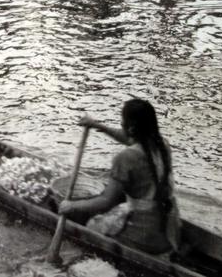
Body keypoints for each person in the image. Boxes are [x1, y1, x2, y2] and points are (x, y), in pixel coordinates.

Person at [59, 99, 181, 256]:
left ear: (130, 128)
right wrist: (98, 126)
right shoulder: (163, 144)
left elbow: (106, 201)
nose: (122, 127)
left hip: (144, 235)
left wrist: (71, 206)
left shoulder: (125, 158)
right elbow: (129, 138)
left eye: (123, 123)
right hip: (169, 229)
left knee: (92, 225)